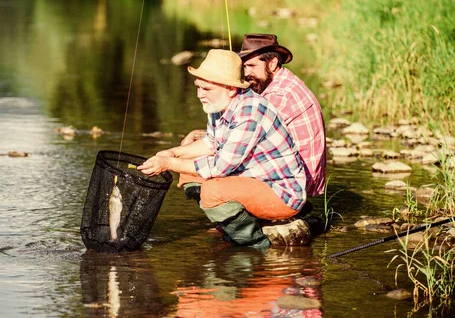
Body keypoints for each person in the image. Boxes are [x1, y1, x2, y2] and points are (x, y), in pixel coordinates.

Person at [137, 49, 306, 248]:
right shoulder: (220, 103)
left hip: (281, 192)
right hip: (253, 179)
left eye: (206, 89)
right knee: (188, 168)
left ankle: (256, 243)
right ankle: (230, 222)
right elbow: (211, 143)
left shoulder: (249, 113)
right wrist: (172, 153)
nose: (200, 95)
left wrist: (168, 163)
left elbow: (219, 167)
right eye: (198, 87)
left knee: (211, 191)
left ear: (230, 89)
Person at [182, 33, 326, 198]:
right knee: (198, 156)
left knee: (203, 165)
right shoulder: (281, 82)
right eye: (244, 67)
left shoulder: (278, 96)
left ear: (272, 64)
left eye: (251, 66)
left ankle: (238, 216)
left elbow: (244, 134)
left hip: (297, 183)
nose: (247, 73)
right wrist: (201, 136)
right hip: (293, 173)